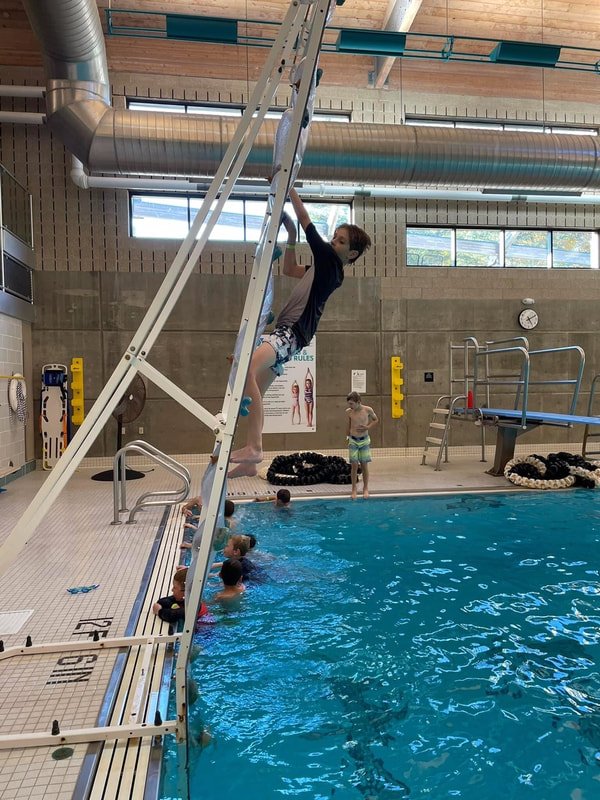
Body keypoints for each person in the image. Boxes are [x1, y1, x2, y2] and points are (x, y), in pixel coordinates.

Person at [228, 187, 371, 478]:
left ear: (351, 253)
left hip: (291, 333)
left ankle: (254, 448)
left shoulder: (331, 264)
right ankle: (250, 461)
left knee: (246, 371)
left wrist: (288, 188)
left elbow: (307, 221)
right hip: (288, 334)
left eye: (340, 241)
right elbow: (290, 269)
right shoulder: (322, 269)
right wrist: (291, 233)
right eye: (335, 237)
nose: (333, 241)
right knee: (252, 389)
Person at [346, 391, 378, 500]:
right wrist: (347, 435)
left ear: (358, 402)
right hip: (353, 440)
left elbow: (376, 420)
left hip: (364, 441)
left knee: (364, 465)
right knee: (354, 465)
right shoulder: (349, 412)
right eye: (349, 404)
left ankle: (365, 488)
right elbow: (349, 425)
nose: (350, 406)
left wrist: (368, 427)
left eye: (351, 404)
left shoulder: (368, 410)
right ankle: (354, 489)